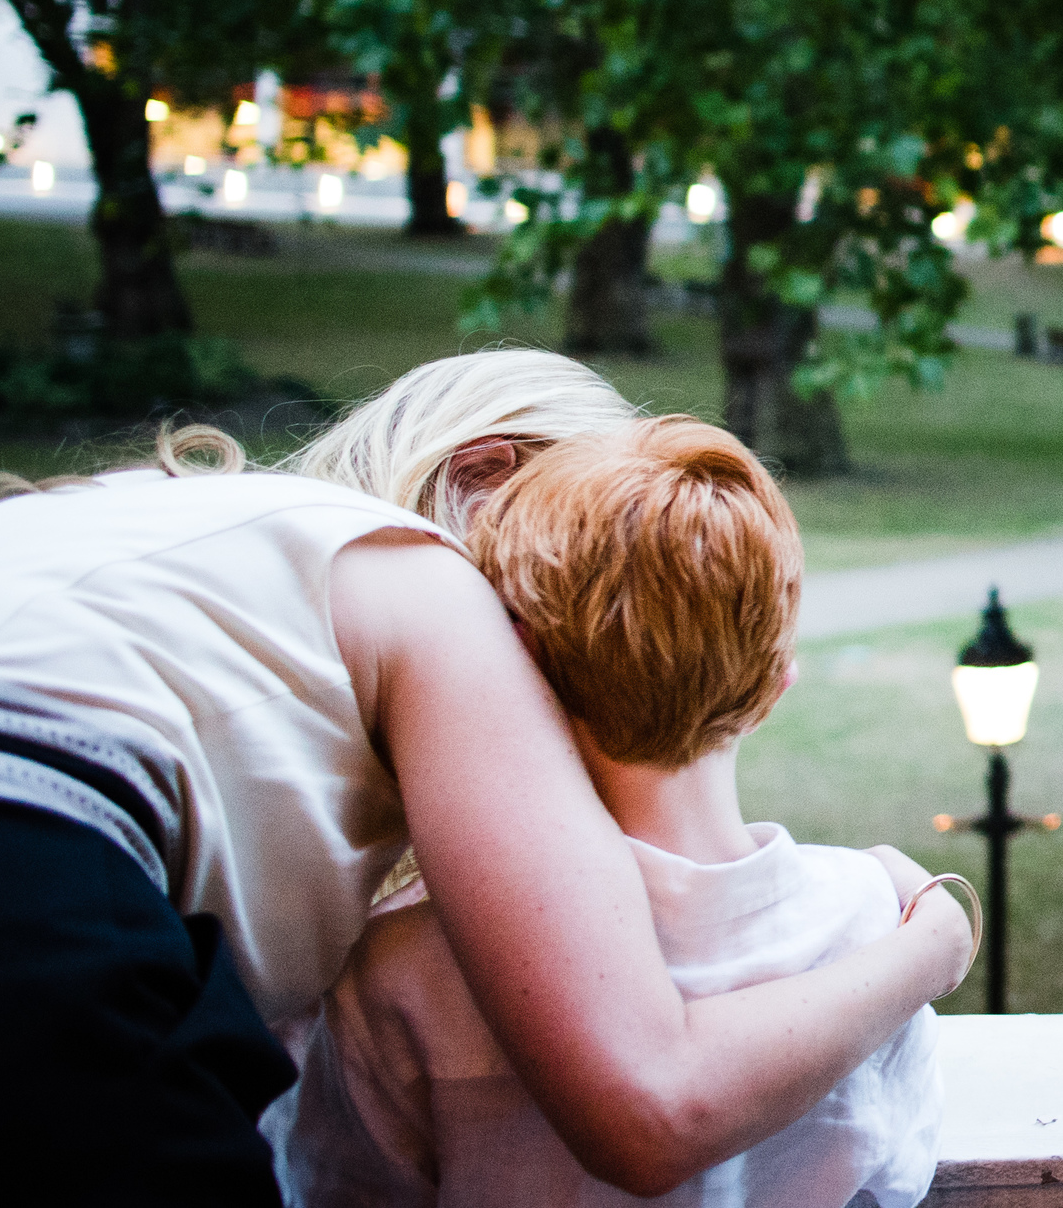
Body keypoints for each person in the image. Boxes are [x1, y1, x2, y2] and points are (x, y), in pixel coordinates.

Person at [0, 349, 970, 1205]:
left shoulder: (197, 545)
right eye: (579, 531)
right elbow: (648, 1102)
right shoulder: (429, 578)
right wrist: (934, 936)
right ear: (484, 474)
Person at [282, 418, 955, 1207]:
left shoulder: (399, 970)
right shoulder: (876, 923)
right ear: (775, 686)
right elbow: (897, 1180)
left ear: (515, 661)